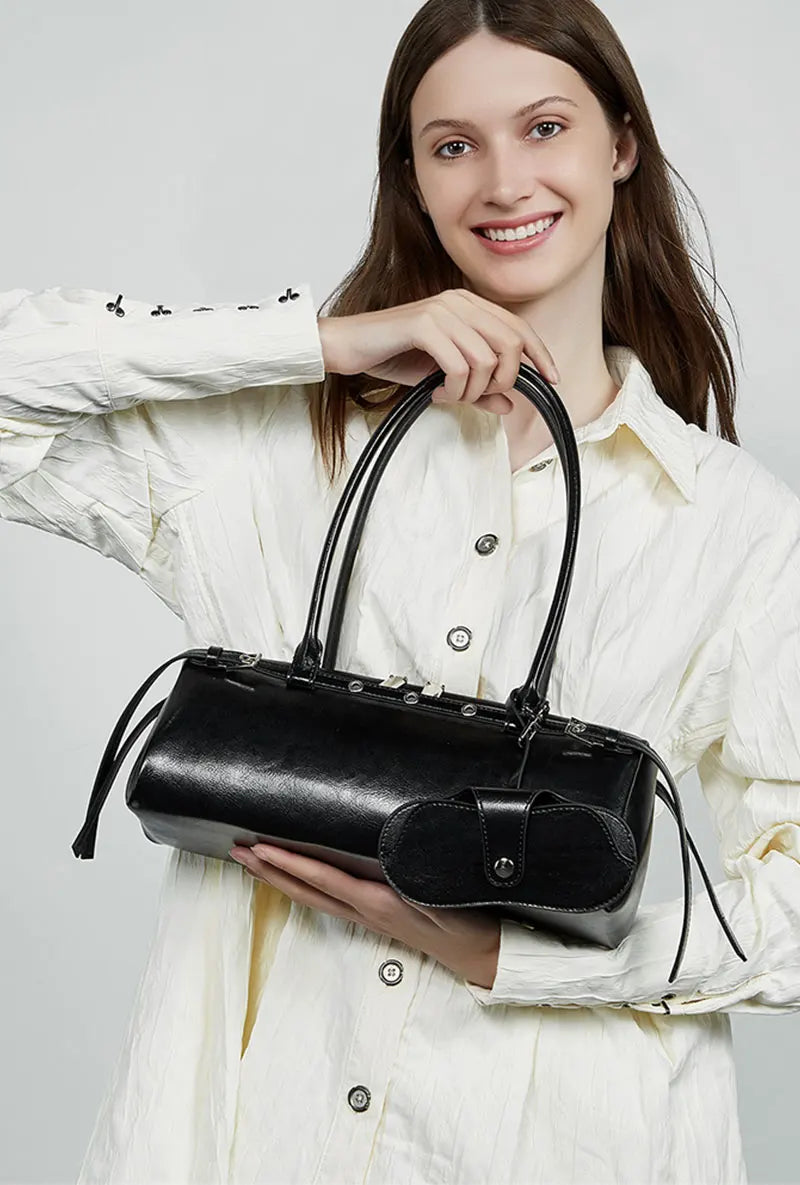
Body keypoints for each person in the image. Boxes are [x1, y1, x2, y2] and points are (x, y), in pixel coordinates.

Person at [1, 1, 798, 1182]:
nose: (501, 181)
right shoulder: (274, 454)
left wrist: (503, 953)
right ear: (412, 177)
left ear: (618, 144)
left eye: (542, 126)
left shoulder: (736, 529)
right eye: (452, 144)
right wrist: (319, 345)